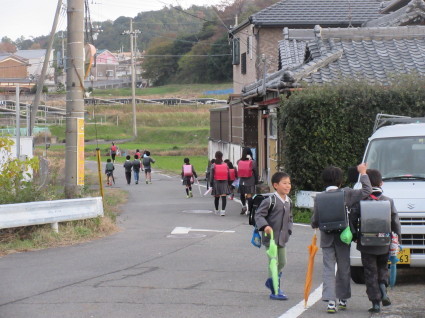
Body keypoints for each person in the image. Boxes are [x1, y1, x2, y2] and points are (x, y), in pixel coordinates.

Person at [311, 163, 372, 313]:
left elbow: (314, 221)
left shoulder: (319, 197)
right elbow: (367, 190)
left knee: (328, 269)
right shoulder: (347, 193)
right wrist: (363, 173)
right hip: (343, 237)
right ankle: (343, 299)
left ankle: (331, 302)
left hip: (327, 239)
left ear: (324, 181)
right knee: (344, 268)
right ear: (340, 181)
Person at [350, 169, 401, 313]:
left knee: (370, 273)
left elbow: (353, 220)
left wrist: (355, 237)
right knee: (382, 268)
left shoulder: (361, 201)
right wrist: (398, 238)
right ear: (381, 183)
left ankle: (376, 303)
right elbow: (395, 221)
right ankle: (384, 290)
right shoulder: (388, 200)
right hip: (384, 242)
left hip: (366, 243)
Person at [255, 172, 293, 300]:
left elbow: (290, 218)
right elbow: (259, 215)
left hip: (282, 239)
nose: (288, 186)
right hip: (270, 239)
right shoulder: (269, 201)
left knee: (282, 262)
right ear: (276, 185)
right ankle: (275, 289)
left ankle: (271, 280)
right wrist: (265, 226)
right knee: (273, 262)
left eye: (289, 183)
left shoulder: (289, 201)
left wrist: (289, 230)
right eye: (284, 183)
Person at [237, 147, 258, 215]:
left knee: (242, 194)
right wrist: (256, 180)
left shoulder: (239, 161)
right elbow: (255, 172)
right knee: (249, 196)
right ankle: (249, 210)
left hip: (242, 180)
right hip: (250, 180)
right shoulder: (253, 162)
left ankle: (243, 206)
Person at [209, 151, 231, 216]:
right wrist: (229, 182)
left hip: (216, 182)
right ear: (222, 156)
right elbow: (228, 174)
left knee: (217, 197)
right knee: (224, 197)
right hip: (224, 182)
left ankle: (216, 210)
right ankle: (223, 211)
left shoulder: (213, 165)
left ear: (215, 156)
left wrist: (211, 184)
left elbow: (211, 176)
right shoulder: (225, 164)